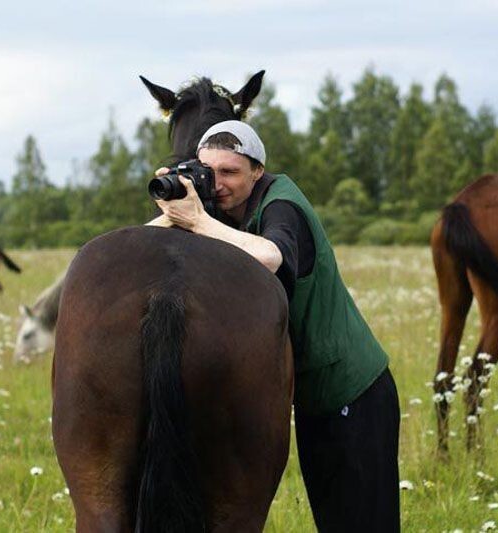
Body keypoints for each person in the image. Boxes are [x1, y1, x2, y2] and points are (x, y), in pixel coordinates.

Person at [148, 120, 401, 532]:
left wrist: (198, 221)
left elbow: (269, 257)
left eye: (230, 172)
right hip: (316, 397)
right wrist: (172, 207)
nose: (218, 183)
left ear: (257, 171)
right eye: (208, 172)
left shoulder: (283, 205)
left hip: (354, 392)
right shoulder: (226, 206)